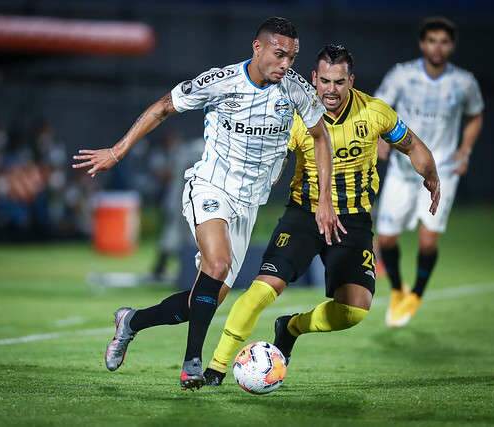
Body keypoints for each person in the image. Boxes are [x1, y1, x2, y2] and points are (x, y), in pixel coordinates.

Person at [72, 17, 338, 390]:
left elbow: (320, 137)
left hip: (248, 206)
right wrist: (118, 151)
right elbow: (164, 106)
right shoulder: (221, 81)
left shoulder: (296, 90)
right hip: (210, 186)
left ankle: (130, 322)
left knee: (201, 300)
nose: (286, 64)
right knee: (217, 262)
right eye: (279, 55)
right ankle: (191, 364)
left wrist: (324, 198)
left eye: (292, 57)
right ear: (257, 48)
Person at [203, 44, 440, 385]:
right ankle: (216, 367)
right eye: (325, 81)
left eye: (339, 82)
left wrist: (430, 176)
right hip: (305, 214)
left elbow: (412, 144)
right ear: (314, 78)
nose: (331, 89)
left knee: (354, 310)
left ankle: (291, 327)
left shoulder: (374, 112)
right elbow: (269, 156)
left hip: (353, 220)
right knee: (264, 286)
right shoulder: (295, 116)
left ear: (351, 81)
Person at [375, 17, 484, 327]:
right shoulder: (402, 75)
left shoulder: (464, 82)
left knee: (427, 242)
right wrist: (383, 140)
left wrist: (465, 151)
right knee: (385, 239)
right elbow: (379, 108)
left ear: (452, 46)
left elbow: (476, 115)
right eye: (432, 40)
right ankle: (397, 290)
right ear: (422, 44)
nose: (438, 46)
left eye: (444, 41)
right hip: (402, 168)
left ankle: (417, 294)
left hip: (443, 172)